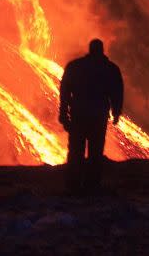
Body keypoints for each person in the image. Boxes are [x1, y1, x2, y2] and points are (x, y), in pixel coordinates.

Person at [59, 39, 124, 195]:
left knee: (76, 150)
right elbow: (117, 92)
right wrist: (116, 113)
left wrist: (63, 113)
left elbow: (65, 91)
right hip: (98, 116)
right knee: (95, 151)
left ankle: (73, 184)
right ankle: (92, 185)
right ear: (102, 50)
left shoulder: (75, 67)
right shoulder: (110, 69)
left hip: (79, 114)